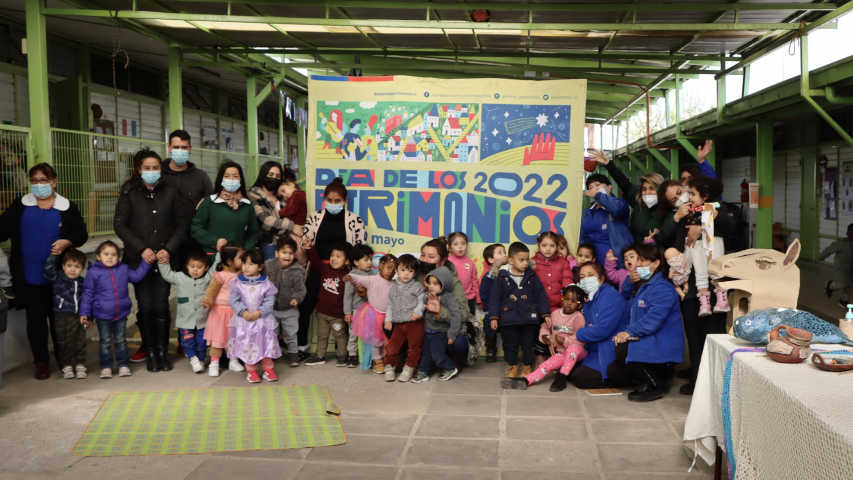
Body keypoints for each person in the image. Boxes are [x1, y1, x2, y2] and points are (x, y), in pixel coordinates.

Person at [0, 163, 88, 379]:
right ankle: (41, 360)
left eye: (43, 180)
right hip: (28, 277)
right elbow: (2, 231)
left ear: (54, 182)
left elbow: (81, 234)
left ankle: (63, 356)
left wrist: (68, 241)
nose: (38, 184)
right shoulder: (20, 206)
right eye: (34, 180)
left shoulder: (67, 207)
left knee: (60, 320)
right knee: (35, 321)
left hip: (59, 278)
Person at [114, 148, 191, 372]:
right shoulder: (129, 193)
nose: (151, 172)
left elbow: (182, 225)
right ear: (139, 170)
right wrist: (141, 249)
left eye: (155, 168)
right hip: (140, 263)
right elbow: (120, 225)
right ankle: (150, 353)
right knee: (146, 306)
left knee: (161, 306)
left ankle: (161, 351)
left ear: (161, 169)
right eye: (146, 168)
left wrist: (168, 249)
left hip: (164, 262)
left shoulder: (172, 192)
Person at [656, 178, 734, 396]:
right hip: (690, 285)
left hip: (714, 283)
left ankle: (716, 382)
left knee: (714, 332)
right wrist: (677, 217)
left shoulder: (714, 208)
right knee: (694, 335)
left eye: (684, 191)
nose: (684, 198)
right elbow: (664, 237)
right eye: (675, 198)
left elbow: (730, 226)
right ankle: (698, 380)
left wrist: (703, 226)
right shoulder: (679, 214)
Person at [299, 177, 367, 360]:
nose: (333, 204)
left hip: (345, 273)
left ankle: (343, 349)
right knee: (305, 306)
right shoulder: (314, 218)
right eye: (330, 200)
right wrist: (305, 243)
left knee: (344, 309)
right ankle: (301, 346)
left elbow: (359, 249)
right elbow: (306, 243)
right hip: (319, 269)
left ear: (345, 201)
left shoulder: (355, 220)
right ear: (324, 199)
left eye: (338, 201)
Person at [608, 243, 684, 402]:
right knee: (614, 371)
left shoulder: (662, 287)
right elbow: (626, 298)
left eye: (642, 260)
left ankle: (654, 384)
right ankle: (663, 375)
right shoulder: (644, 284)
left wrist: (629, 332)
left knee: (623, 350)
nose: (638, 264)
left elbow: (653, 320)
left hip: (662, 344)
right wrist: (629, 282)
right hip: (649, 340)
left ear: (656, 263)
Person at [80, 241, 152, 379]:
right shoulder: (93, 272)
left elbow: (137, 276)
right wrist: (85, 313)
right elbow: (87, 293)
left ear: (118, 257)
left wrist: (146, 262)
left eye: (113, 254)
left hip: (121, 313)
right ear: (98, 256)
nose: (110, 257)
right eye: (106, 254)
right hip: (102, 314)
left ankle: (123, 364)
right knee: (105, 341)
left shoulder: (123, 269)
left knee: (120, 339)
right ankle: (106, 366)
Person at [502, 285, 587, 392]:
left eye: (574, 301)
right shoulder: (555, 314)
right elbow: (545, 327)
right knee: (546, 365)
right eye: (566, 299)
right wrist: (545, 336)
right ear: (562, 299)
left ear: (580, 305)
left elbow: (582, 341)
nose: (569, 303)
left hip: (578, 354)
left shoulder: (578, 317)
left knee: (573, 349)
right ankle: (525, 380)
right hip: (561, 354)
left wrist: (564, 341)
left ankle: (561, 378)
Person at [489, 242, 551, 380]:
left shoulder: (532, 277)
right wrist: (494, 317)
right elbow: (495, 298)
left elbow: (540, 296)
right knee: (511, 345)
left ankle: (528, 366)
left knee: (528, 345)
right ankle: (512, 366)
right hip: (508, 318)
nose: (525, 263)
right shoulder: (501, 278)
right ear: (511, 260)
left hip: (529, 318)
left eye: (527, 259)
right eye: (521, 260)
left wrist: (545, 313)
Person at [415, 238, 478, 366]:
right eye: (423, 255)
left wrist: (440, 311)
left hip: (444, 328)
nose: (425, 260)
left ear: (443, 261)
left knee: (459, 343)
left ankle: (452, 360)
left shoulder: (452, 281)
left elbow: (464, 314)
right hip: (420, 325)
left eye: (431, 256)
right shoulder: (413, 274)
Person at [567, 262, 629, 390]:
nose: (586, 280)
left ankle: (623, 380)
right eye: (582, 277)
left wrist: (579, 334)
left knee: (580, 378)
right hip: (594, 350)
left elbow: (603, 329)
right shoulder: (589, 299)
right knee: (567, 371)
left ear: (601, 278)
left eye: (590, 275)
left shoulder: (609, 295)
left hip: (608, 349)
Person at [159, 250, 220, 374]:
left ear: (206, 268)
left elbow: (216, 266)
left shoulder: (208, 278)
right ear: (187, 266)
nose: (195, 270)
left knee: (202, 343)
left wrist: (219, 252)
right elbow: (167, 275)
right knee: (187, 341)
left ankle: (201, 360)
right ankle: (193, 359)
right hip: (185, 320)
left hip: (203, 320)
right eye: (192, 266)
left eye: (199, 267)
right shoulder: (180, 277)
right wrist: (162, 261)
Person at [592, 149, 667, 245]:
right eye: (644, 189)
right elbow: (623, 183)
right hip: (635, 255)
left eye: (652, 188)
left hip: (658, 256)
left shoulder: (668, 209)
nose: (647, 192)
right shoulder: (638, 202)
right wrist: (608, 163)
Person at [228, 249, 281, 383]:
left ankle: (268, 369)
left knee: (266, 344)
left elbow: (269, 301)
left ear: (260, 266)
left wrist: (259, 312)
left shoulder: (266, 283)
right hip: (244, 321)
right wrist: (243, 312)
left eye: (251, 264)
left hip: (262, 320)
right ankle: (251, 371)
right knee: (247, 345)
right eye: (244, 263)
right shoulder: (237, 282)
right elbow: (234, 300)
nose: (246, 266)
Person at [192, 161, 260, 255]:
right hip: (214, 256)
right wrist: (215, 242)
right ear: (221, 179)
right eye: (227, 176)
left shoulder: (247, 205)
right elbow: (196, 228)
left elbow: (254, 233)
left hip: (239, 259)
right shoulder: (209, 202)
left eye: (235, 176)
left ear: (241, 179)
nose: (231, 179)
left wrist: (245, 250)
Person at [303, 240, 353, 367]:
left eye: (338, 256)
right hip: (322, 313)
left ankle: (342, 356)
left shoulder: (348, 276)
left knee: (340, 336)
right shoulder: (324, 269)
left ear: (347, 261)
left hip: (337, 315)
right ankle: (320, 356)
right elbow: (314, 260)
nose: (333, 259)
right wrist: (309, 248)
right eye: (332, 255)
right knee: (322, 335)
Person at [346, 254, 397, 372]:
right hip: (373, 316)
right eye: (389, 267)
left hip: (388, 317)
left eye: (394, 270)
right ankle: (376, 360)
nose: (391, 272)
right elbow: (359, 278)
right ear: (380, 265)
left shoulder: (394, 284)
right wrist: (350, 277)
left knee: (387, 341)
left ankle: (385, 358)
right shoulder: (372, 279)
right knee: (375, 340)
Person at [43, 250, 89, 380]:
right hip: (61, 316)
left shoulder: (83, 283)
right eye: (69, 266)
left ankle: (80, 364)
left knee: (80, 341)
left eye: (77, 266)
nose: (72, 270)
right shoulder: (58, 278)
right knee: (64, 342)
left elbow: (88, 300)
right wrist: (53, 255)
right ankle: (67, 365)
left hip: (79, 316)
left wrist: (88, 316)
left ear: (82, 268)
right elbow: (47, 269)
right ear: (63, 266)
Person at [411, 266, 462, 383]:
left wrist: (452, 335)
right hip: (428, 331)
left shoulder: (449, 298)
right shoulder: (427, 295)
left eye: (435, 283)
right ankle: (423, 372)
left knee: (437, 355)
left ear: (444, 284)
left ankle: (450, 367)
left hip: (441, 333)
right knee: (425, 354)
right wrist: (417, 313)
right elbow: (421, 308)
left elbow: (456, 316)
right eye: (430, 283)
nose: (431, 286)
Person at [201, 242, 245, 377]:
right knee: (218, 339)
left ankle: (233, 360)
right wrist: (207, 301)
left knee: (234, 338)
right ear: (229, 261)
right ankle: (214, 363)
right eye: (241, 258)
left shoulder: (242, 274)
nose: (244, 261)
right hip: (219, 312)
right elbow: (212, 290)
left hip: (235, 312)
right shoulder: (220, 275)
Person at [382, 254, 426, 383]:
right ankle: (389, 367)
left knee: (414, 348)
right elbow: (390, 305)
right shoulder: (393, 289)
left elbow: (422, 301)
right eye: (402, 270)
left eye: (410, 271)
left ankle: (409, 368)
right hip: (399, 324)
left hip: (414, 323)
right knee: (392, 347)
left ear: (415, 272)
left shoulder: (417, 286)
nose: (406, 274)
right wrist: (388, 320)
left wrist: (418, 312)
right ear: (396, 271)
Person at [264, 235, 306, 367]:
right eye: (284, 252)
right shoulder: (268, 266)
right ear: (277, 253)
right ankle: (271, 354)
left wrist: (296, 299)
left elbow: (300, 290)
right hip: (271, 309)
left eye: (290, 253)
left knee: (290, 334)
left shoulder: (297, 270)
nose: (287, 256)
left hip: (290, 310)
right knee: (271, 333)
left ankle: (293, 354)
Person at [248, 161, 302, 261]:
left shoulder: (282, 196)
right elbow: (264, 221)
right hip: (269, 242)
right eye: (271, 175)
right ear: (264, 175)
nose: (274, 178)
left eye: (278, 176)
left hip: (288, 242)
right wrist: (291, 226)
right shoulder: (254, 195)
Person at [580, 173, 632, 270]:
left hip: (617, 264)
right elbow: (582, 236)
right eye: (591, 187)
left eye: (597, 185)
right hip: (594, 266)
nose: (594, 189)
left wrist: (598, 196)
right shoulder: (587, 212)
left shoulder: (620, 204)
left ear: (609, 187)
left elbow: (615, 209)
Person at [160, 129, 213, 215]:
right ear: (169, 148)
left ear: (190, 149)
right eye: (176, 147)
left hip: (193, 227)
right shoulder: (158, 175)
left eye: (184, 147)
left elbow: (211, 204)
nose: (180, 151)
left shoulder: (201, 177)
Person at [343, 244, 374, 368]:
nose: (370, 262)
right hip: (356, 311)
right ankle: (352, 355)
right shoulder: (352, 277)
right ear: (356, 261)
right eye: (366, 260)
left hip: (370, 311)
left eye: (370, 259)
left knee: (369, 335)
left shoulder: (373, 276)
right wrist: (347, 312)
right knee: (354, 334)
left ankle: (368, 357)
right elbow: (347, 296)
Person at [479, 243, 506, 363]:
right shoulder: (487, 278)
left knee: (510, 328)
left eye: (505, 252)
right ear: (491, 260)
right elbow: (484, 294)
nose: (504, 255)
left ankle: (509, 350)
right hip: (492, 310)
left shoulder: (509, 273)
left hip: (507, 310)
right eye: (500, 253)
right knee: (488, 326)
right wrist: (492, 310)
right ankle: (491, 348)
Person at [446, 232, 481, 315]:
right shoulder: (447, 262)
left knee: (469, 324)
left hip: (469, 299)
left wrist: (478, 299)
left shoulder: (470, 263)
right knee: (455, 324)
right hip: (453, 299)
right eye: (456, 244)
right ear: (450, 248)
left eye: (463, 243)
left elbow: (474, 282)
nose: (460, 246)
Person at [821, 223, 853, 309]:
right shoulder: (841, 243)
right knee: (842, 283)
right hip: (841, 268)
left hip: (851, 269)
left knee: (850, 285)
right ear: (847, 233)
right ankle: (830, 285)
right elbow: (828, 250)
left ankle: (844, 300)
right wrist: (821, 257)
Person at [278, 177, 308, 266]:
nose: (284, 196)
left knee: (297, 248)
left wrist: (279, 213)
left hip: (298, 226)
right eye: (282, 196)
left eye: (283, 190)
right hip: (296, 226)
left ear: (291, 184)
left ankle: (301, 263)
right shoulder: (295, 196)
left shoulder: (297, 195)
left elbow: (291, 210)